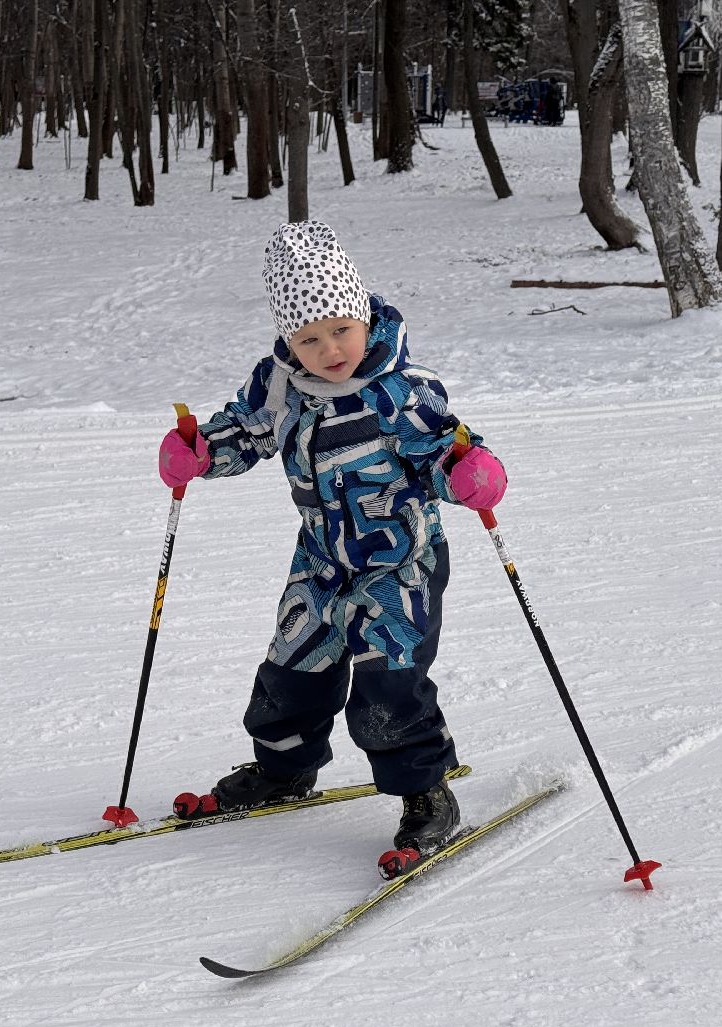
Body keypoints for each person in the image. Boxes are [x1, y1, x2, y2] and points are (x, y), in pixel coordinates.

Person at [157, 221, 507, 860]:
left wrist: (467, 472)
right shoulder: (280, 386)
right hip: (320, 558)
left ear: (363, 314)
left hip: (400, 558)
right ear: (289, 338)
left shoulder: (402, 389)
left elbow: (440, 449)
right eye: (309, 338)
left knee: (388, 677)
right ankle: (283, 769)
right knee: (292, 666)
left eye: (341, 329)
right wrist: (200, 453)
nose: (329, 349)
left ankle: (427, 793)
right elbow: (244, 434)